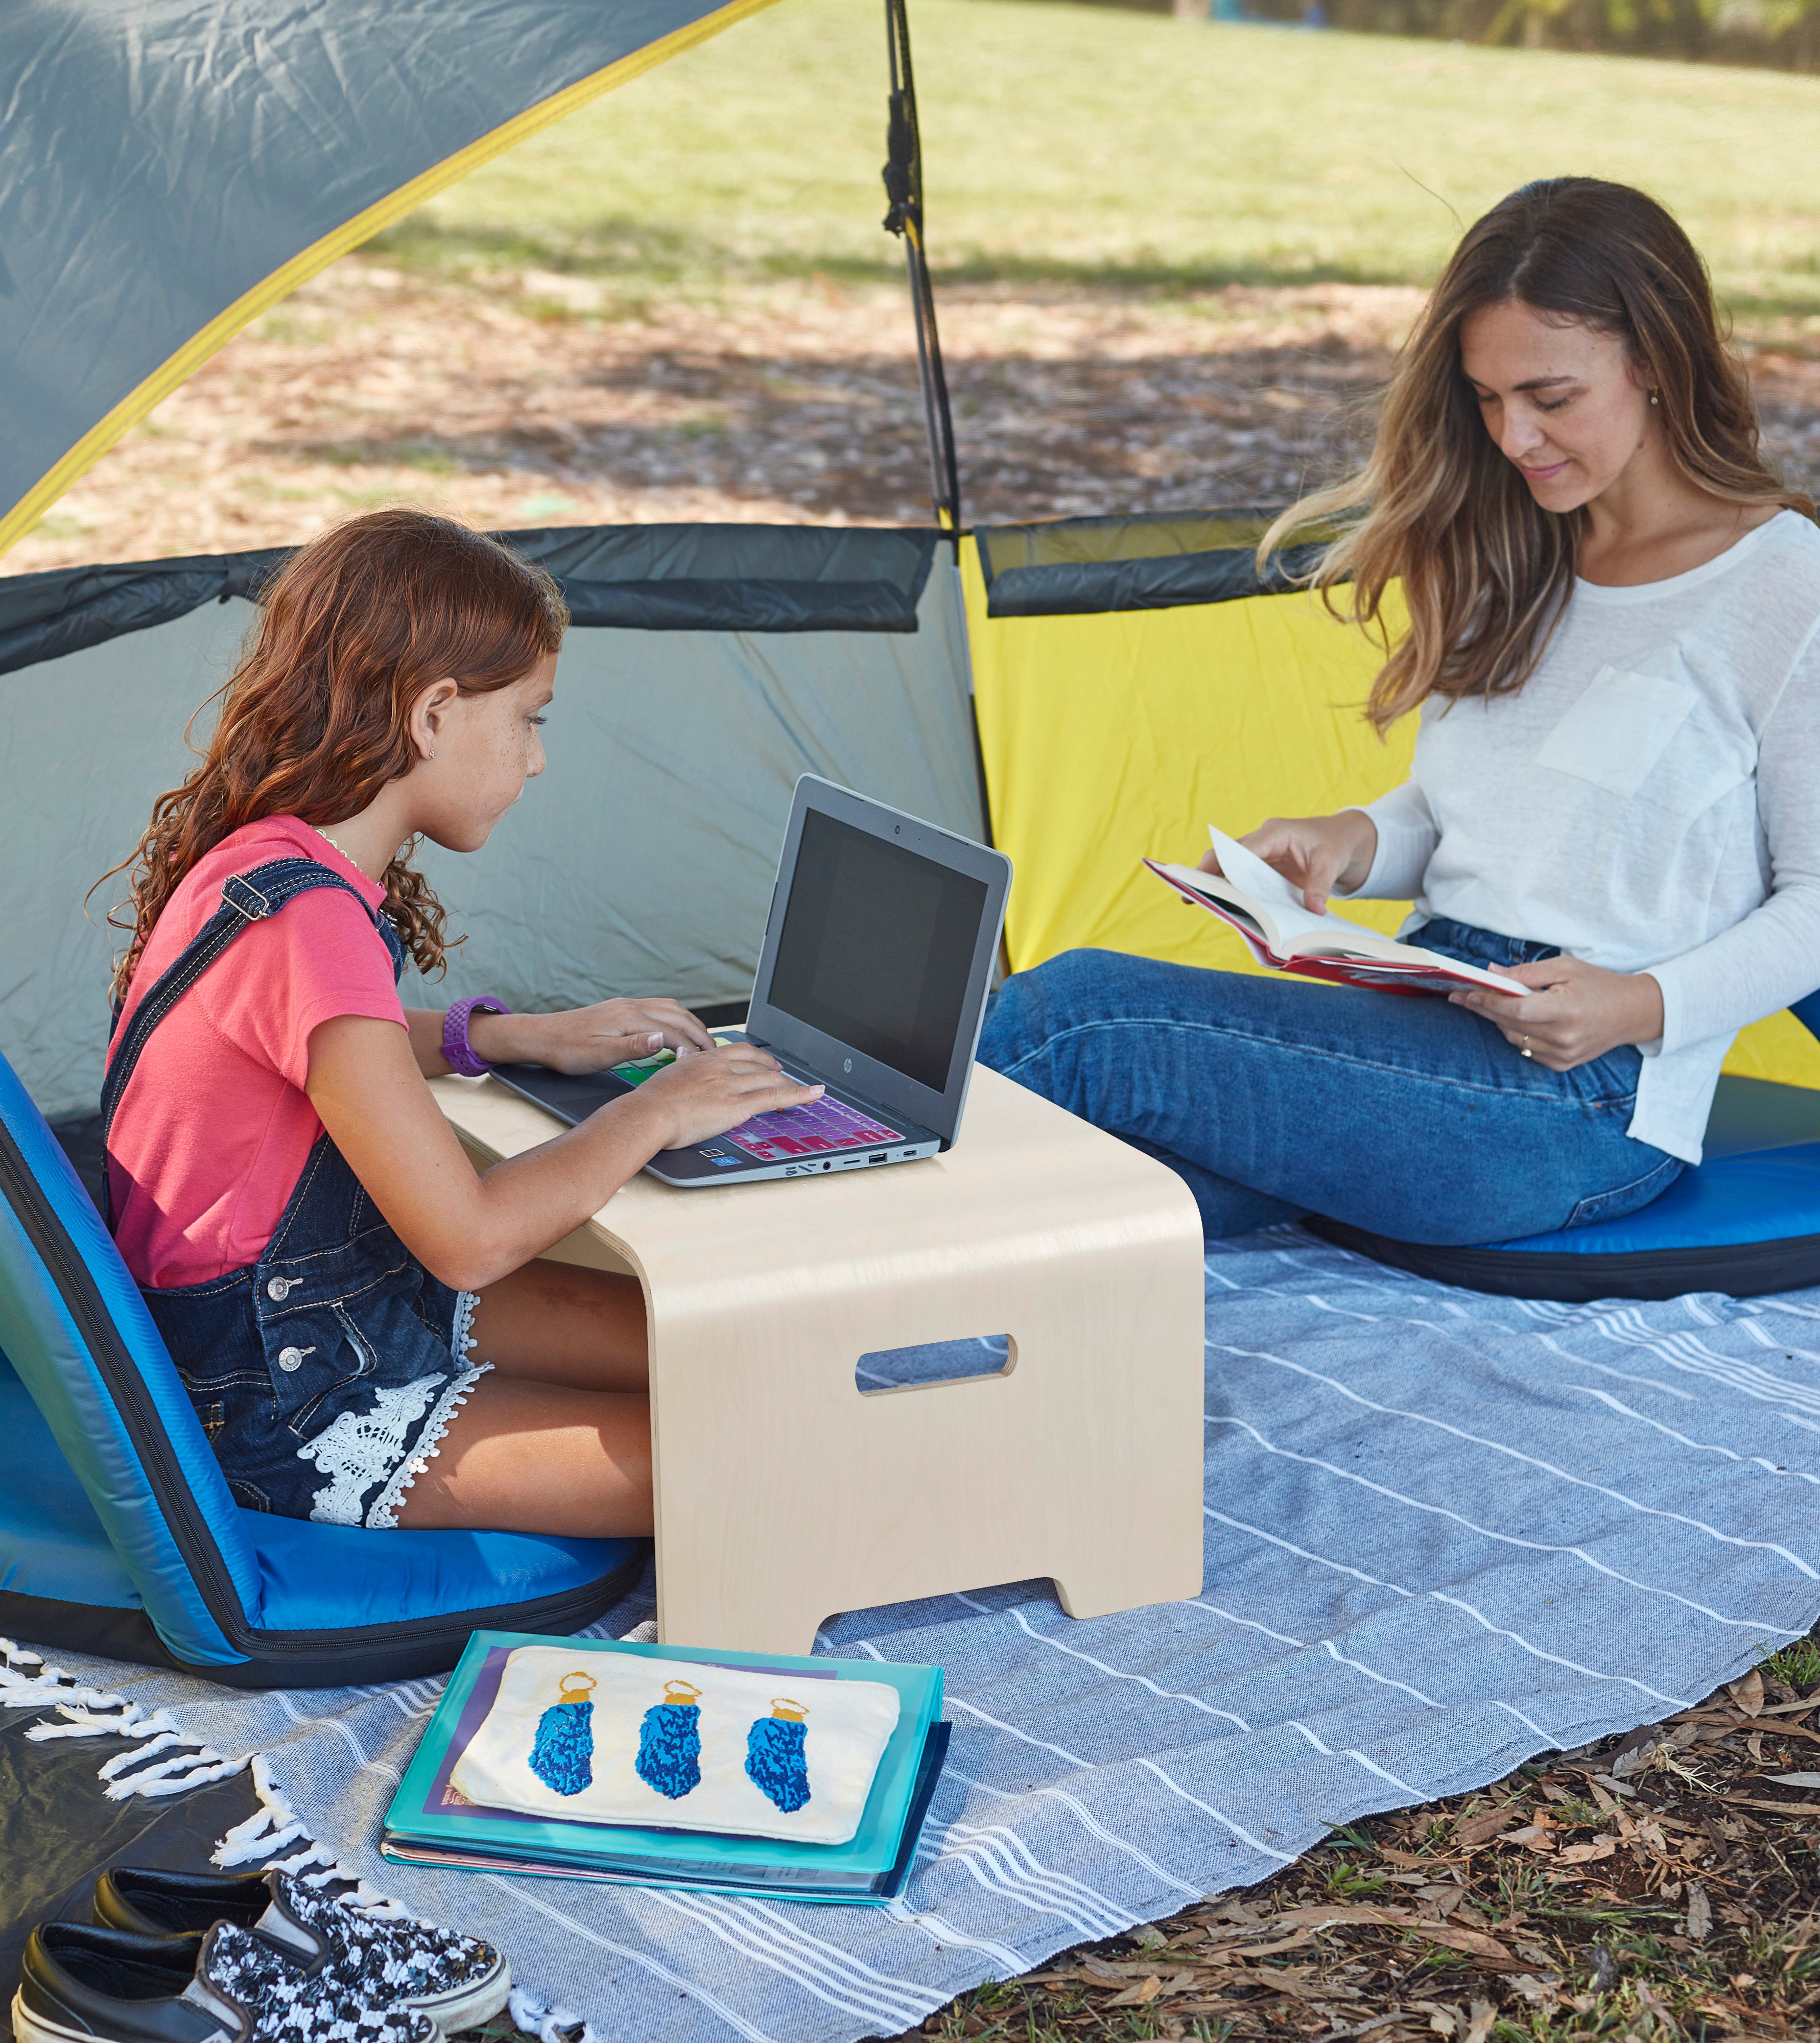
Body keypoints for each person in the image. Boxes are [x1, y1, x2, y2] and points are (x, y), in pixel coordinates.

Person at [978, 178, 1820, 1245]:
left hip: (1582, 1098)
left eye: (1549, 396)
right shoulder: (1526, 548)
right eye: (1485, 397)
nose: (1514, 436)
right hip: (1424, 1019)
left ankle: (799, 1171)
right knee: (1092, 1182)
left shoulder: (1782, 585)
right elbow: (1491, 808)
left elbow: (1815, 900)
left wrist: (1632, 1003)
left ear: (1653, 363)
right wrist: (1354, 839)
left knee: (1079, 1020)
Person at [99, 509, 823, 1538]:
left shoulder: (265, 861)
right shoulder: (312, 924)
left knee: (727, 1339)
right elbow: (470, 1242)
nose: (536, 760)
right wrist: (656, 1111)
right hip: (279, 1389)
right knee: (748, 1444)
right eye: (531, 718)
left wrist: (501, 1037)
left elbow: (324, 1042)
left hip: (320, 1311)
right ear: (434, 710)